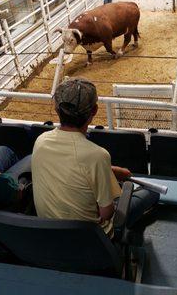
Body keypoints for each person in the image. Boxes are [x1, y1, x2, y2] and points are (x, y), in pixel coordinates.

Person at [31, 78, 160, 237]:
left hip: (49, 232)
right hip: (93, 239)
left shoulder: (41, 141)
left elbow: (73, 165)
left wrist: (109, 171)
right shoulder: (97, 155)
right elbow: (106, 213)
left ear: (57, 109)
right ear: (94, 111)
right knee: (152, 192)